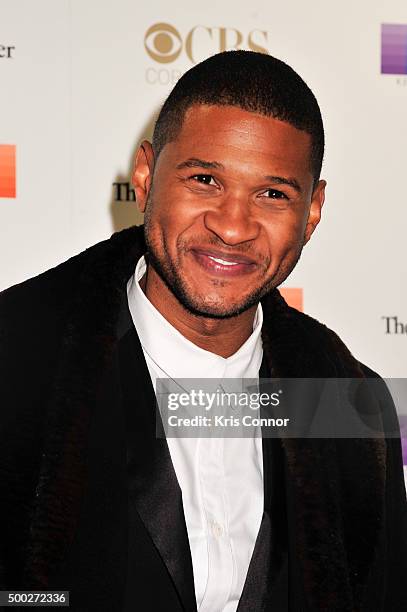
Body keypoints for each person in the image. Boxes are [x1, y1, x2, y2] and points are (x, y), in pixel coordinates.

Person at [0, 50, 406, 612]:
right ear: (144, 178)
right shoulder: (17, 361)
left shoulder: (348, 405)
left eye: (272, 194)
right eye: (205, 179)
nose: (232, 226)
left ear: (311, 212)